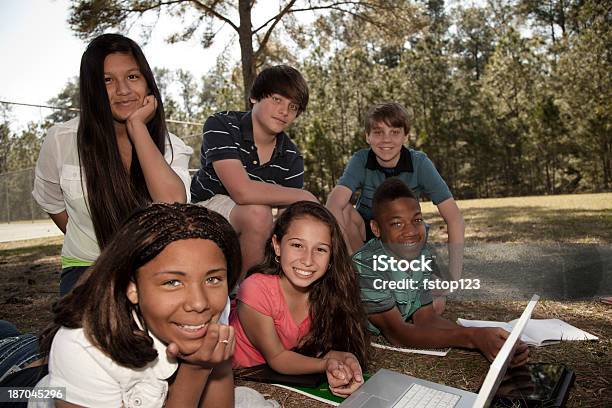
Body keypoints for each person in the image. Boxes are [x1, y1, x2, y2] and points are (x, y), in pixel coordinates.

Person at [31, 203, 240, 407]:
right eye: (172, 282)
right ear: (132, 287)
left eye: (212, 279)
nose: (199, 303)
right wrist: (195, 371)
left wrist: (211, 363)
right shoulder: (82, 346)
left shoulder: (211, 308)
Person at [32, 34, 192, 296]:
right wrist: (90, 242)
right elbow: (52, 203)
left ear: (147, 82)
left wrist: (137, 128)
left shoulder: (172, 146)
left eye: (132, 77)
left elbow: (174, 206)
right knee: (97, 332)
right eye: (108, 80)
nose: (123, 90)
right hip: (87, 266)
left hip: (156, 266)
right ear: (92, 88)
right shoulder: (61, 140)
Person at [352, 178, 529, 366]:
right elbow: (397, 334)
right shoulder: (366, 266)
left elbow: (426, 318)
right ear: (376, 229)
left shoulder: (422, 253)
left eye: (417, 220)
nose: (411, 231)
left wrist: (489, 337)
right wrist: (472, 337)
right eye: (397, 224)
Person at [326, 102, 464, 312]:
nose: (386, 139)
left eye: (395, 132)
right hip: (366, 240)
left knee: (435, 304)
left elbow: (454, 218)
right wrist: (349, 262)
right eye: (378, 132)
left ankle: (397, 289)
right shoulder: (361, 159)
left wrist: (453, 277)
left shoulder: (419, 163)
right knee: (343, 209)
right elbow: (334, 204)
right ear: (367, 137)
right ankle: (362, 277)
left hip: (403, 239)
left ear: (405, 136)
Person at [229, 201, 369, 397]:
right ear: (277, 246)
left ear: (332, 256)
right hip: (243, 367)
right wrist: (325, 365)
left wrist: (347, 360)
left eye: (320, 249)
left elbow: (324, 349)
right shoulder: (255, 289)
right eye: (297, 245)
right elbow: (277, 358)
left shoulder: (327, 293)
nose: (308, 260)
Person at [190, 65, 317, 278]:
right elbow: (241, 191)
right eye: (277, 99)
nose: (285, 111)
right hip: (204, 212)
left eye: (293, 107)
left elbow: (288, 220)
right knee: (258, 212)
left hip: (255, 227)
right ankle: (247, 296)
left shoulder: (291, 157)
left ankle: (256, 297)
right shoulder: (222, 124)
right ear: (254, 97)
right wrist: (304, 196)